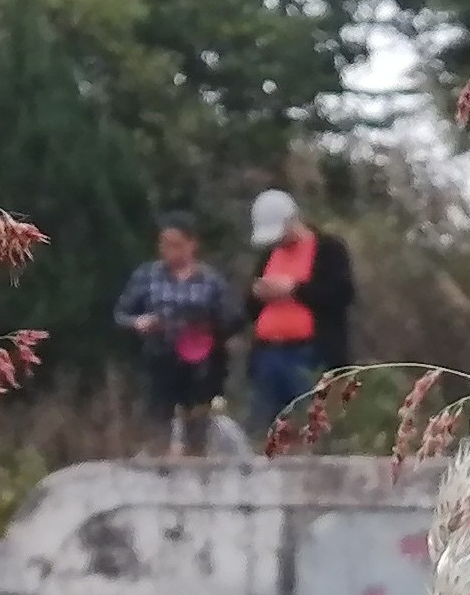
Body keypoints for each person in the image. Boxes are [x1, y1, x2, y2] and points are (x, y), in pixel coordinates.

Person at [115, 213, 245, 454]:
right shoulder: (147, 276)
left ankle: (196, 460)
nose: (169, 251)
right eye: (164, 244)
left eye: (176, 245)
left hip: (201, 363)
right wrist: (139, 323)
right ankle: (160, 462)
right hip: (160, 357)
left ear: (192, 245)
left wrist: (210, 328)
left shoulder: (210, 281)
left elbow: (231, 318)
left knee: (198, 420)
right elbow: (121, 314)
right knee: (159, 419)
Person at [239, 186, 355, 439]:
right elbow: (249, 308)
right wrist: (258, 294)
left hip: (309, 355)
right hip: (269, 354)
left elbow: (342, 294)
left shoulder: (328, 249)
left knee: (308, 424)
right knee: (264, 427)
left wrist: (294, 289)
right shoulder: (269, 254)